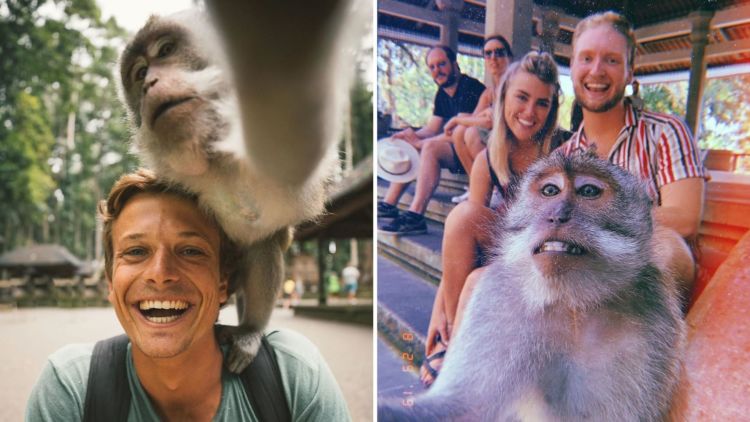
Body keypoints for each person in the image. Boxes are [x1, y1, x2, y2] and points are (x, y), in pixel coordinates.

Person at [25, 170, 350, 421]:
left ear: (226, 281)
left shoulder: (290, 374)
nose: (160, 273)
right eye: (136, 251)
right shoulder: (72, 387)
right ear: (111, 281)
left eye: (191, 251)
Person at [420, 51, 569, 387]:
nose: (530, 112)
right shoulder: (490, 158)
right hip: (507, 249)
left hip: (546, 258)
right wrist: (438, 310)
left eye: (542, 103)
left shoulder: (561, 154)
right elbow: (460, 239)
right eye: (522, 97)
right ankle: (450, 335)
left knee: (478, 270)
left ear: (552, 110)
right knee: (463, 216)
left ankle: (457, 358)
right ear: (503, 98)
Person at [562, 11, 705, 294]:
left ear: (630, 71)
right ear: (573, 65)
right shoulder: (564, 157)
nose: (597, 70)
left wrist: (598, 219)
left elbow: (686, 219)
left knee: (667, 247)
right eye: (587, 58)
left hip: (644, 292)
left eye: (612, 60)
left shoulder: (665, 132)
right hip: (581, 281)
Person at [378, 45, 485, 235]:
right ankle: (389, 205)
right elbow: (432, 128)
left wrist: (421, 142)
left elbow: (459, 131)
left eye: (442, 64)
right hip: (457, 151)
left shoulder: (470, 87)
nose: (437, 71)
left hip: (474, 153)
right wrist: (412, 135)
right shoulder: (442, 94)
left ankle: (416, 215)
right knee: (413, 144)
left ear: (454, 64)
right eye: (432, 67)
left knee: (429, 148)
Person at [442, 35, 513, 203]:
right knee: (460, 132)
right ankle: (476, 186)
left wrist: (458, 120)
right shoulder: (489, 92)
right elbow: (474, 118)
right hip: (496, 143)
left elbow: (489, 122)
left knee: (471, 133)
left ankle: (497, 186)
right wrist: (478, 116)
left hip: (512, 143)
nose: (493, 58)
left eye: (499, 52)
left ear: (509, 57)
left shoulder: (514, 84)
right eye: (488, 54)